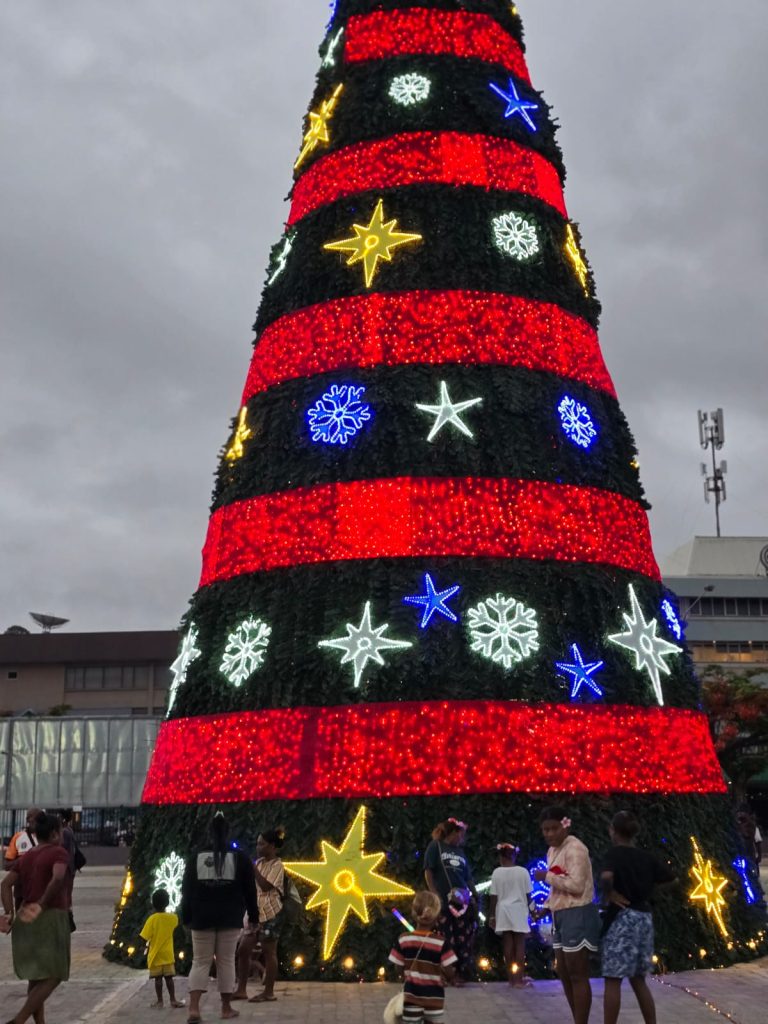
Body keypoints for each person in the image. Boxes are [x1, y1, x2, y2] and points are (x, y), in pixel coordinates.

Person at [180, 813, 259, 1024]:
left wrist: (186, 917)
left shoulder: (197, 856)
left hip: (201, 917)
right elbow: (250, 891)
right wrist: (254, 916)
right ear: (228, 832)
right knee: (226, 962)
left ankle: (194, 1008)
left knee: (200, 962)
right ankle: (226, 1008)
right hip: (229, 917)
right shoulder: (240, 858)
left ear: (209, 832)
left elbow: (186, 890)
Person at [599, 810, 676, 1024]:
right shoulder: (646, 857)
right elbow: (672, 879)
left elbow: (606, 876)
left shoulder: (614, 854)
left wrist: (610, 893)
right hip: (643, 918)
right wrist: (650, 892)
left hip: (621, 919)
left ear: (613, 831)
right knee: (639, 980)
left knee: (613, 980)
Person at [0, 811, 71, 1024]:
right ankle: (19, 1020)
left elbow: (5, 885)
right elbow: (58, 877)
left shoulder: (28, 856)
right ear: (54, 834)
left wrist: (9, 913)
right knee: (55, 973)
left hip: (24, 918)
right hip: (50, 917)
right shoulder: (58, 852)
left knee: (36, 976)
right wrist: (42, 903)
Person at [533, 806, 600, 1024]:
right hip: (560, 914)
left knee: (577, 974)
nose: (549, 834)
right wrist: (546, 906)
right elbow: (559, 887)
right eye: (545, 830)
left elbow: (577, 885)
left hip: (578, 913)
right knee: (563, 972)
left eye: (553, 828)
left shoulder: (576, 849)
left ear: (565, 826)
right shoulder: (552, 851)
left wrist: (547, 877)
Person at [388, 890, 457, 1024]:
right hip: (434, 999)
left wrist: (405, 976)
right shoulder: (441, 942)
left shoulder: (404, 939)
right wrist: (448, 977)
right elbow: (449, 971)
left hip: (411, 998)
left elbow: (398, 967)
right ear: (436, 916)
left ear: (414, 913)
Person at [424, 817, 478, 985]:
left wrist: (475, 894)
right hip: (443, 900)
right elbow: (428, 871)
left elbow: (467, 877)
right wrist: (434, 894)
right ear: (453, 832)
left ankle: (460, 974)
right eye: (460, 834)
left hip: (461, 901)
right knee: (445, 938)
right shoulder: (436, 846)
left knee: (462, 938)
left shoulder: (460, 852)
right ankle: (446, 974)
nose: (462, 838)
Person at [233, 828, 285, 1003]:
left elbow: (265, 886)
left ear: (272, 846)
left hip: (271, 913)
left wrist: (253, 868)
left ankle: (268, 992)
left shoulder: (278, 865)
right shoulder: (260, 862)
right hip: (255, 913)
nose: (258, 847)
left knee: (269, 952)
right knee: (243, 950)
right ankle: (241, 989)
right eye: (257, 844)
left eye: (262, 844)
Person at [488, 842, 533, 986]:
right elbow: (529, 896)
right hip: (519, 909)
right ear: (514, 856)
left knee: (507, 942)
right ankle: (519, 979)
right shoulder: (523, 872)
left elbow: (493, 896)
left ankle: (511, 979)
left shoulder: (497, 872)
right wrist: (534, 912)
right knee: (519, 943)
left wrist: (492, 916)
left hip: (503, 910)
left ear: (501, 856)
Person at [140, 888, 185, 1009]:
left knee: (158, 979)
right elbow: (178, 927)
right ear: (167, 902)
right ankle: (173, 999)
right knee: (169, 979)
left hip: (156, 955)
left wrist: (143, 947)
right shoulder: (172, 918)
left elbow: (144, 936)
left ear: (153, 903)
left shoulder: (152, 919)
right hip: (168, 954)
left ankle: (160, 1001)